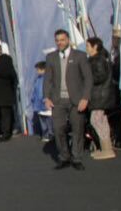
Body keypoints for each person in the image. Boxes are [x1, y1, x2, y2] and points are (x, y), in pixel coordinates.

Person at [44, 29, 93, 170]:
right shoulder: (51, 57)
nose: (60, 42)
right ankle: (64, 156)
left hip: (76, 100)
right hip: (58, 100)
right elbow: (48, 79)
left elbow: (88, 79)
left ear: (68, 40)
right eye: (57, 40)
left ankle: (77, 158)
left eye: (62, 40)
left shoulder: (80, 56)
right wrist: (46, 97)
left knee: (78, 129)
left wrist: (85, 98)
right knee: (58, 129)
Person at [86, 37, 117, 160]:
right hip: (101, 95)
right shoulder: (98, 59)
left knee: (96, 120)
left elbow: (100, 76)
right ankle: (106, 148)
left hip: (100, 96)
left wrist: (86, 78)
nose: (87, 49)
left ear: (95, 47)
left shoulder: (97, 60)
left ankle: (107, 149)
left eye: (88, 46)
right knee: (101, 121)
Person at [30, 62, 52, 142]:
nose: (37, 71)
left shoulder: (48, 79)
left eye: (38, 70)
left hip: (46, 104)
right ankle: (45, 134)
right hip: (39, 105)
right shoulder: (38, 79)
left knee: (49, 121)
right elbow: (35, 91)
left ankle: (51, 134)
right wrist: (33, 99)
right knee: (43, 121)